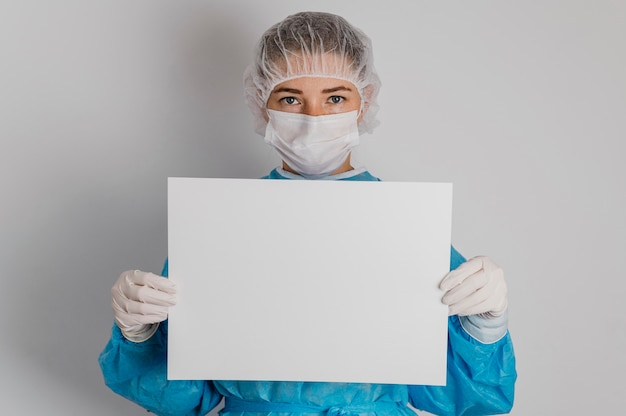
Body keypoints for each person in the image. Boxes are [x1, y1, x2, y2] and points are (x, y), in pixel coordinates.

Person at [99, 11, 516, 416]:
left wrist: (483, 327)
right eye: (290, 98)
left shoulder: (406, 224)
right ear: (262, 105)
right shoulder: (220, 223)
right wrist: (141, 333)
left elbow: (469, 398)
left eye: (335, 97)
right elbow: (182, 400)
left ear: (364, 100)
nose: (313, 117)